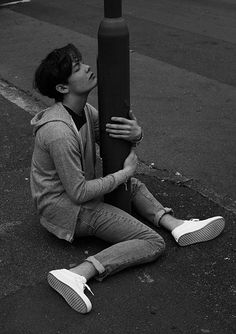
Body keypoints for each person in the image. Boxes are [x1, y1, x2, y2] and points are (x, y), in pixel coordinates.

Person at [30, 43, 225, 314]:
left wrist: (136, 134)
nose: (87, 68)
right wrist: (123, 173)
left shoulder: (84, 111)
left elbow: (113, 139)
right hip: (65, 209)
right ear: (63, 88)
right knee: (151, 242)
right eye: (78, 68)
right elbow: (78, 193)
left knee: (130, 185)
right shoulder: (58, 132)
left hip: (76, 198)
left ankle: (176, 225)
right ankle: (77, 273)